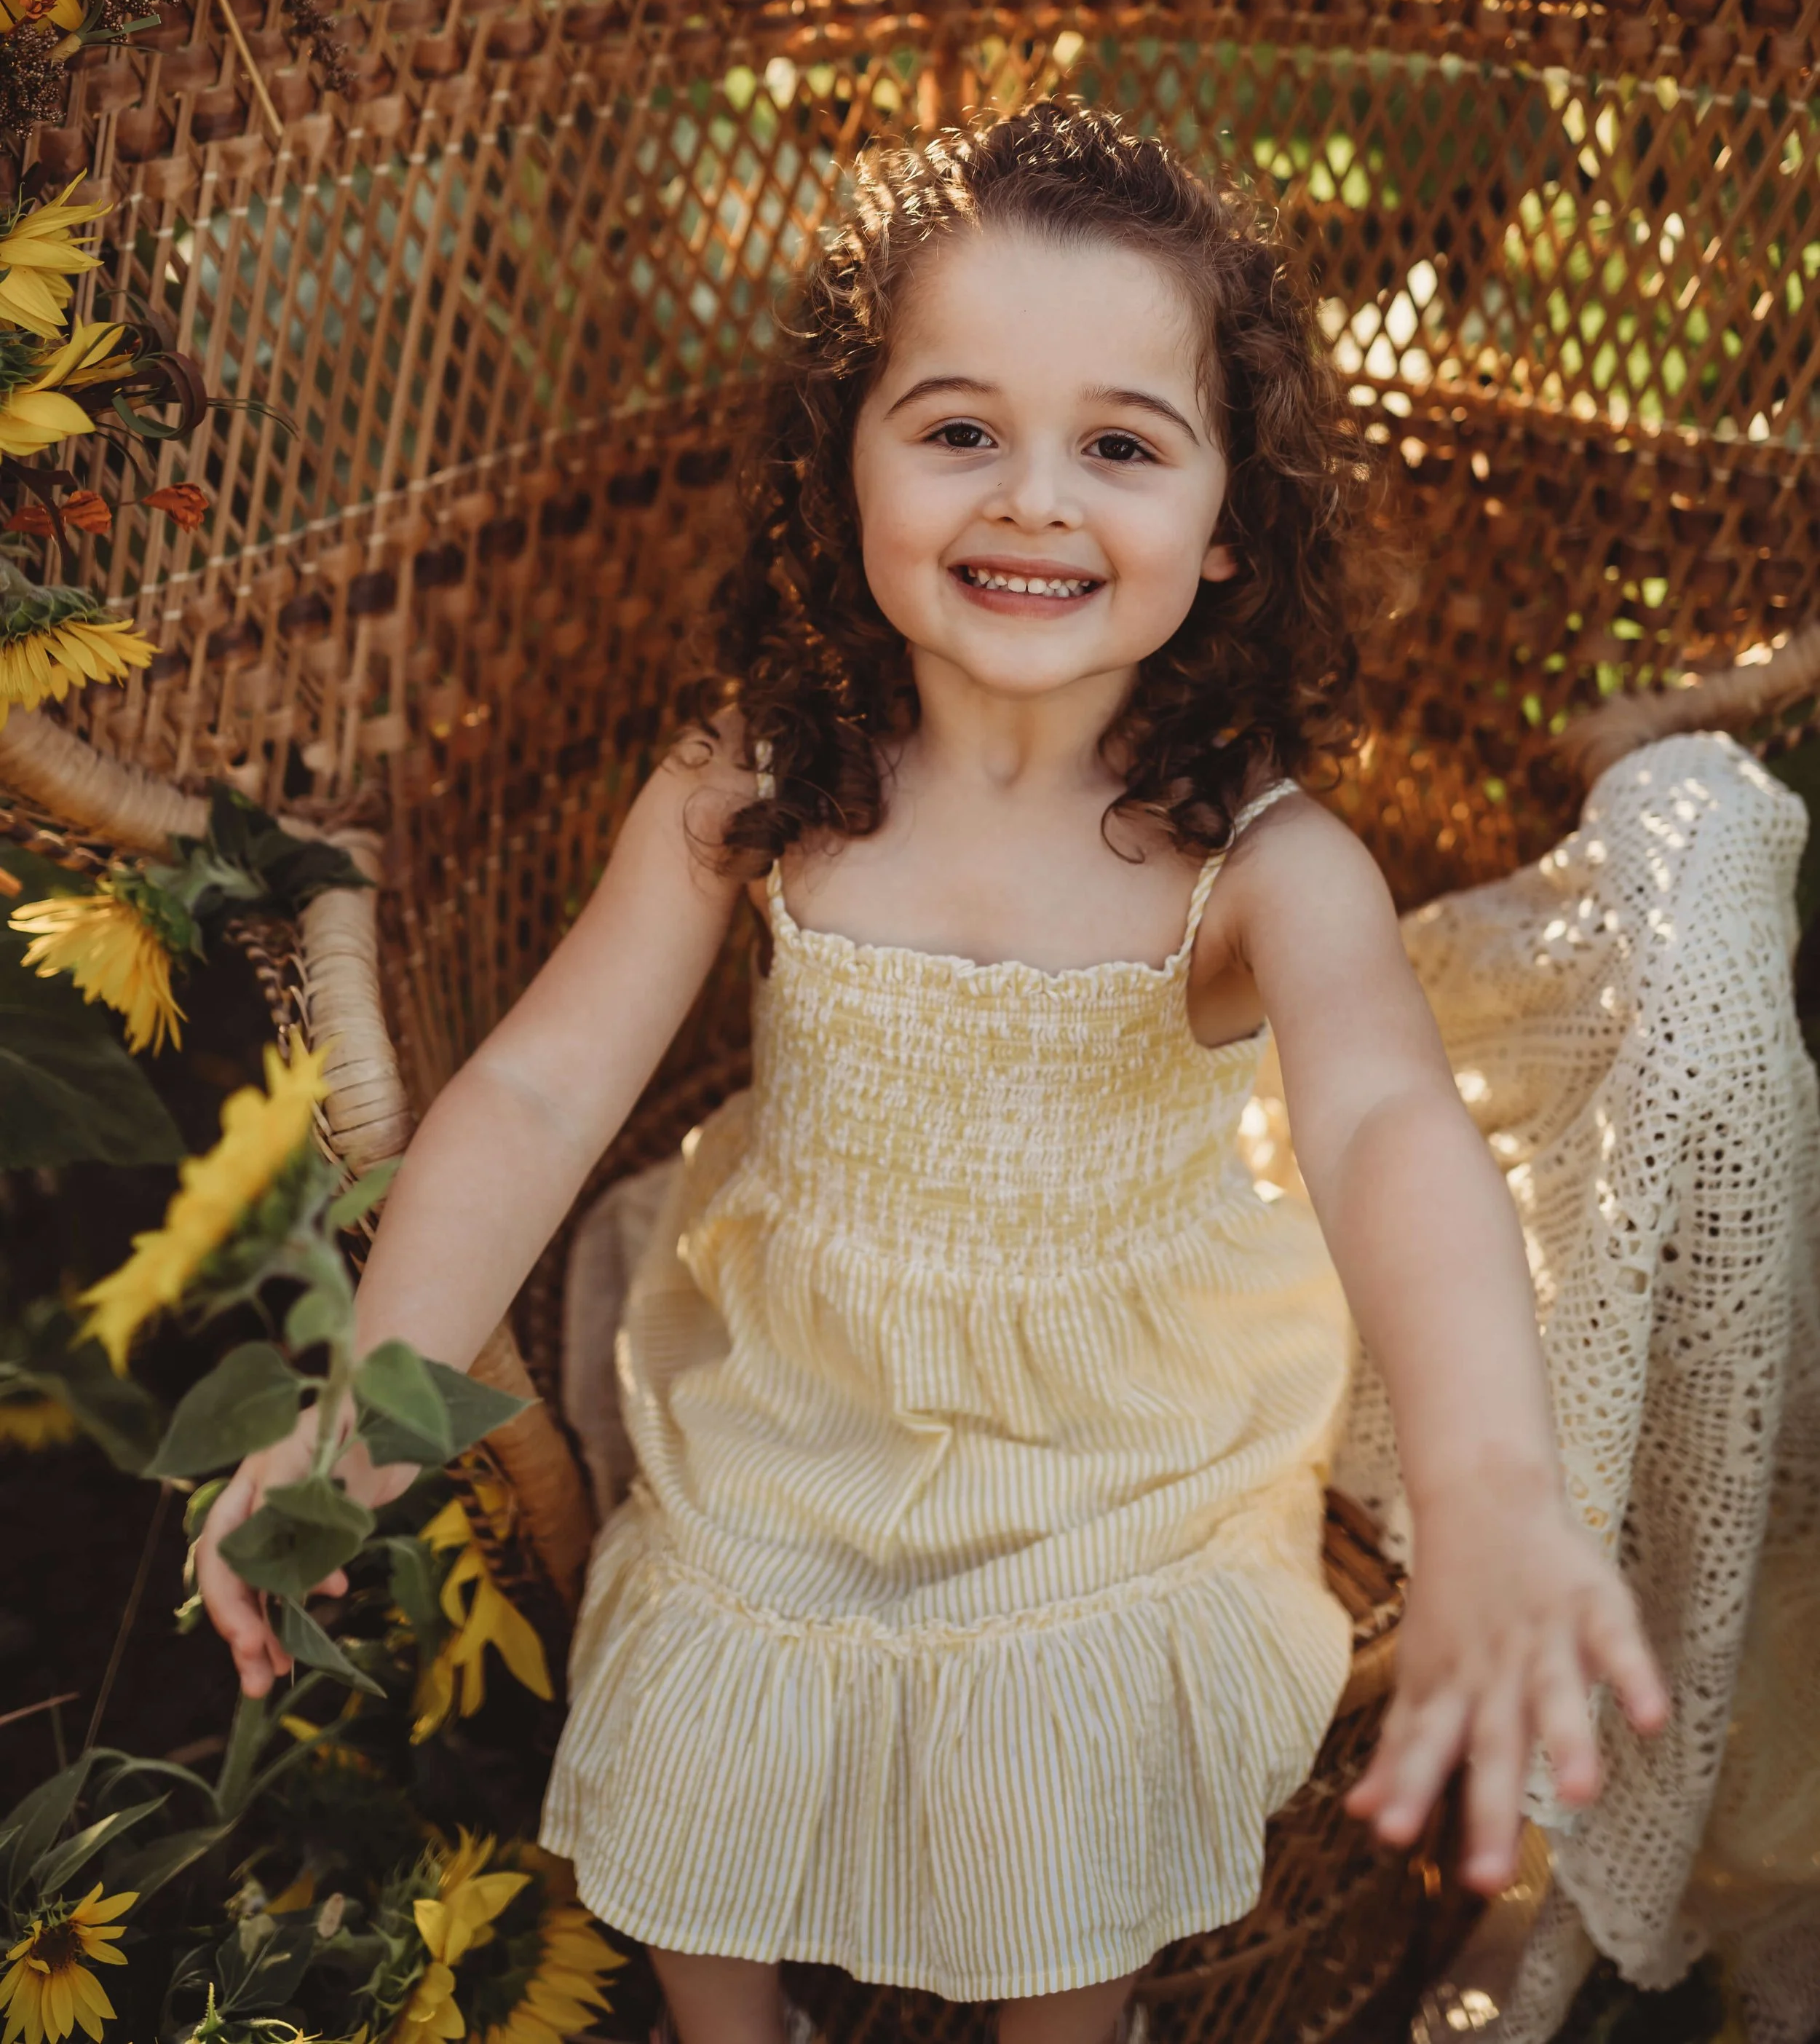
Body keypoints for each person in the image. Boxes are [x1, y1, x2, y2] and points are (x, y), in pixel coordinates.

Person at [197, 102, 1669, 2044]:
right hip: (805, 1364)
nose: (1031, 499)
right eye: (958, 425)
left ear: (1226, 524)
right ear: (848, 463)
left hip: (1119, 1421)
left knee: (1051, 1815)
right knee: (680, 1733)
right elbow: (546, 1089)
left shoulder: (1260, 861)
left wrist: (1487, 1483)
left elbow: (1387, 1123)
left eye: (1120, 446)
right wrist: (359, 1408)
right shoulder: (755, 779)